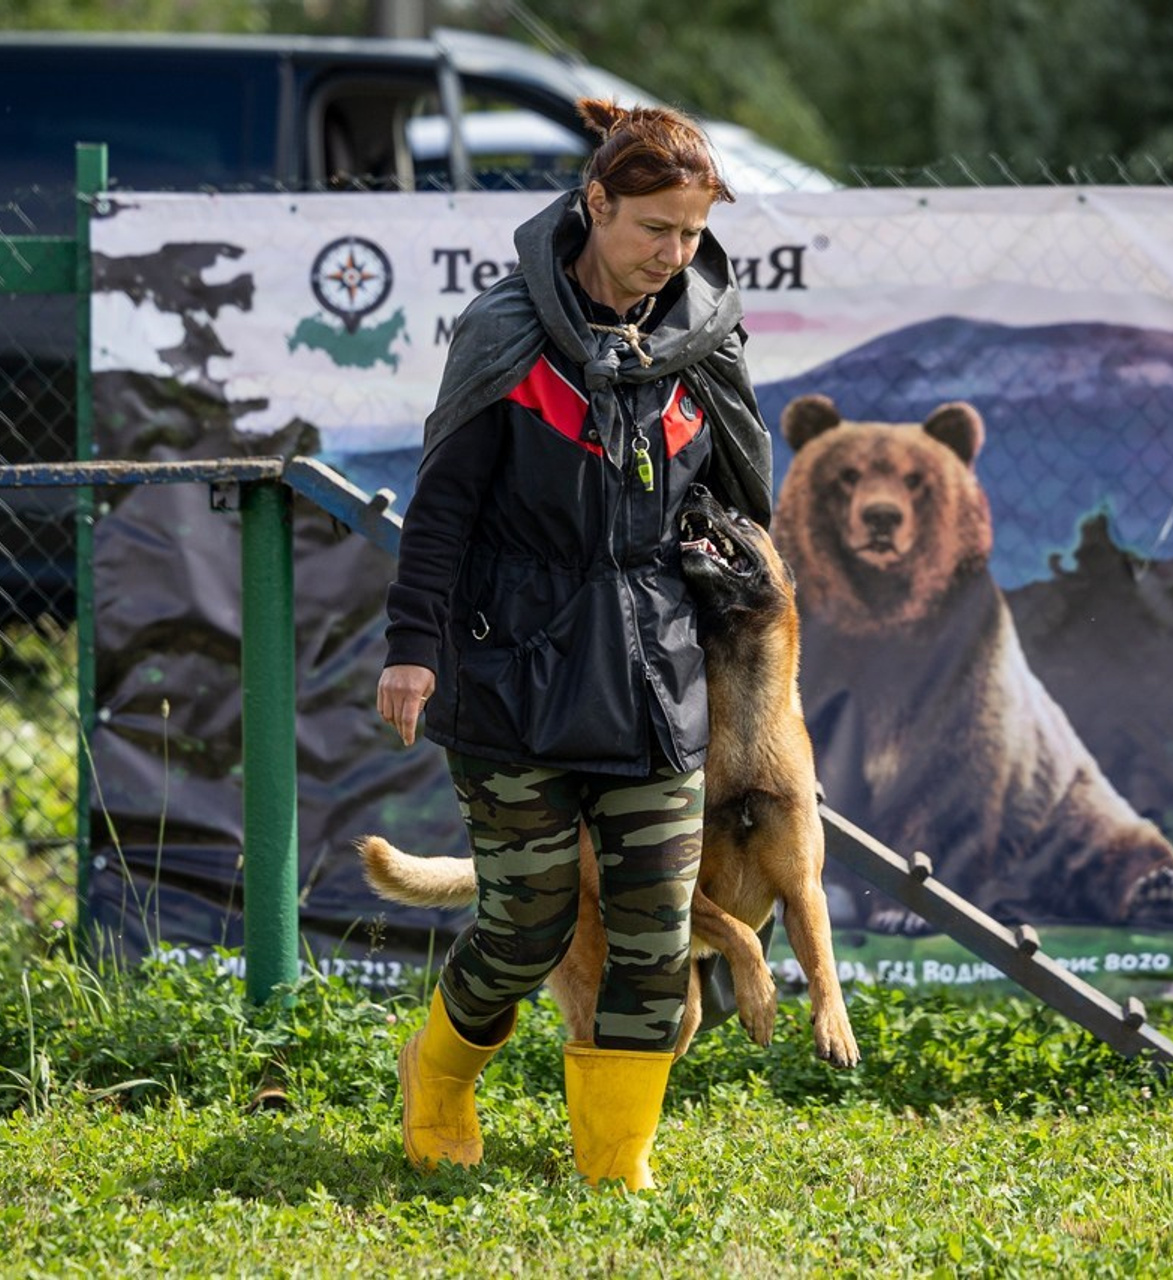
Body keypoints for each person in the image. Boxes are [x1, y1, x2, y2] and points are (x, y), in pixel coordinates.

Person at [376, 97, 773, 1192]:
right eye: (653, 227)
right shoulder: (504, 333)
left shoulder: (702, 339)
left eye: (690, 233)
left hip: (655, 674)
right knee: (525, 921)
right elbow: (442, 509)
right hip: (512, 672)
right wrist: (413, 645)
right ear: (593, 202)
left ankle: (615, 1168)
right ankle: (438, 1077)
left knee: (652, 939)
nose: (672, 254)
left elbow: (744, 506)